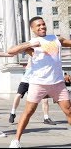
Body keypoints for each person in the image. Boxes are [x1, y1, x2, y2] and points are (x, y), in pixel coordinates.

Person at [7, 16, 71, 148]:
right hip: (38, 83)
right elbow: (10, 50)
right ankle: (16, 141)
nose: (42, 27)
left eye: (43, 24)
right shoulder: (32, 43)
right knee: (28, 112)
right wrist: (30, 44)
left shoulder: (55, 39)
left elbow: (68, 42)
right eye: (38, 26)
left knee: (69, 111)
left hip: (57, 83)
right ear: (32, 29)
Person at [9, 58, 56, 125]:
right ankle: (13, 113)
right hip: (26, 81)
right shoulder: (32, 59)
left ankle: (46, 118)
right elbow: (30, 61)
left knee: (45, 100)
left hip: (37, 82)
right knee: (18, 95)